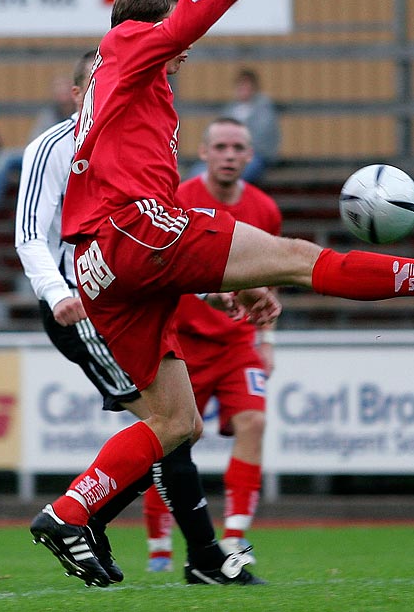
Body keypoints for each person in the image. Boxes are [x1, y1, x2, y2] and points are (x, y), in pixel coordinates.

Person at [30, 0, 414, 589]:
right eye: (170, 25)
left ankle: (68, 513)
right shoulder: (126, 45)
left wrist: (230, 286)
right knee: (299, 259)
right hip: (132, 231)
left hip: (107, 261)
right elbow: (182, 21)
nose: (185, 49)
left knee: (175, 422)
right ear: (147, 22)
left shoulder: (125, 91)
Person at [18, 52, 266, 586]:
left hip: (128, 302)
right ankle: (196, 553)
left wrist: (215, 292)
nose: (104, 92)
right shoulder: (54, 147)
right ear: (80, 90)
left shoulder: (137, 146)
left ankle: (95, 522)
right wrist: (57, 291)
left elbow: (162, 240)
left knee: (176, 426)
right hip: (85, 309)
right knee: (173, 425)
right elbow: (29, 234)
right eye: (94, 83)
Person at [143, 116, 281, 572]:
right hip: (181, 341)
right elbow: (160, 267)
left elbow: (269, 278)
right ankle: (159, 548)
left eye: (237, 147)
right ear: (203, 152)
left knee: (254, 423)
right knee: (169, 439)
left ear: (249, 156)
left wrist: (267, 338)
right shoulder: (179, 198)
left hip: (237, 341)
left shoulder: (265, 209)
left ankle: (237, 538)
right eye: (220, 146)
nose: (228, 155)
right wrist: (210, 293)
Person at [0, 74, 76, 222]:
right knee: (4, 157)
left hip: (70, 160)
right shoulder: (48, 114)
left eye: (65, 90)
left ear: (74, 92)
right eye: (58, 90)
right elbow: (35, 142)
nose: (62, 95)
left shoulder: (82, 113)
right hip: (44, 156)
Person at [186, 68, 280, 183]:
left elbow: (260, 136)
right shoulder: (231, 107)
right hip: (224, 152)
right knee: (197, 171)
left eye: (247, 86)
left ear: (254, 88)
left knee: (235, 172)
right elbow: (214, 129)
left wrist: (235, 146)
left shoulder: (263, 107)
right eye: (241, 86)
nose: (244, 90)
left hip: (255, 155)